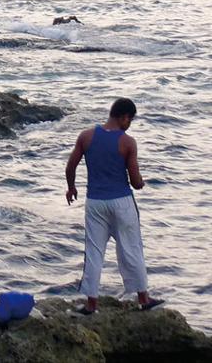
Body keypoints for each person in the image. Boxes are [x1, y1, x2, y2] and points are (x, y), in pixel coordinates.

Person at [65, 98, 163, 314]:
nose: (130, 124)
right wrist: (142, 183)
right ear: (124, 117)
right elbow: (135, 181)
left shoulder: (86, 136)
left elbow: (70, 166)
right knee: (132, 248)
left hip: (95, 202)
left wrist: (71, 188)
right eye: (130, 119)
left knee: (94, 252)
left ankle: (91, 304)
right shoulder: (127, 142)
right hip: (122, 202)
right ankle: (143, 299)